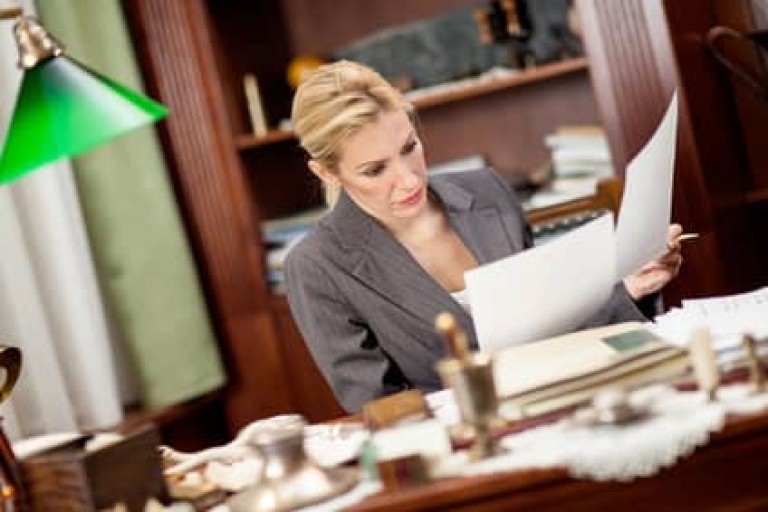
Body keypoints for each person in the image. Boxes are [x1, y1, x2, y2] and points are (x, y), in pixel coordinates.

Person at [285, 60, 683, 413]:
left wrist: (630, 288)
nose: (407, 178)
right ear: (327, 173)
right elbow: (383, 410)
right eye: (375, 170)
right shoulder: (318, 266)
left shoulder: (487, 191)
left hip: (570, 403)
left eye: (410, 147)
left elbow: (554, 327)